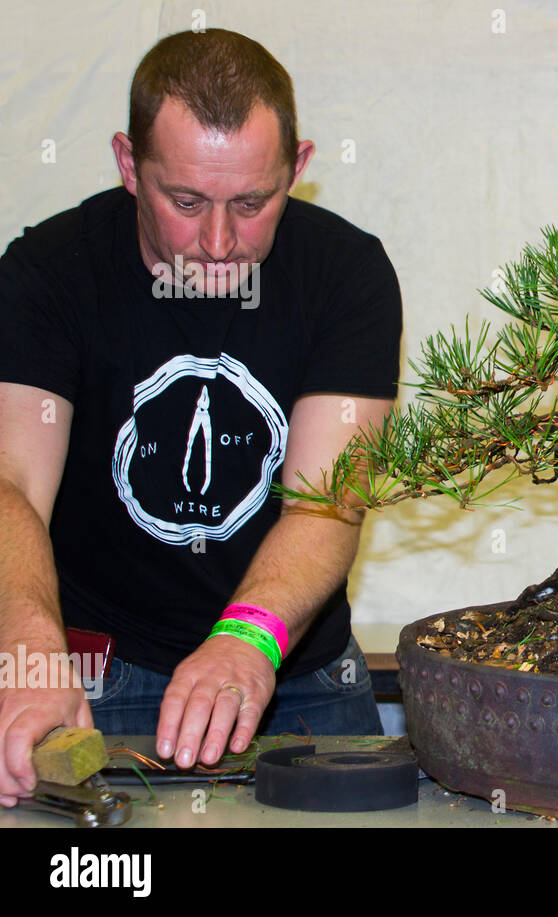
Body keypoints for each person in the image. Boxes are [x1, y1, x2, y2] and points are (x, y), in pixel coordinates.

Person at [0, 28, 402, 807]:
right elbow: (10, 479)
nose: (218, 242)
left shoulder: (346, 273)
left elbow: (331, 495)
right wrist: (27, 653)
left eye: (252, 203)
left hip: (299, 671)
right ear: (127, 164)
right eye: (184, 201)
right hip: (100, 671)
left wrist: (245, 638)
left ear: (300, 167)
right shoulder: (48, 274)